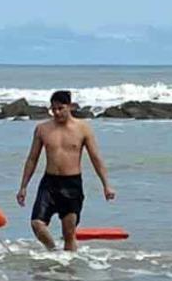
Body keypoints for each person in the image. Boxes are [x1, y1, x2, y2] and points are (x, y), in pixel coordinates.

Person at [16, 90, 115, 251]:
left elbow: (96, 158)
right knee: (37, 224)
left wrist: (106, 185)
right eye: (53, 109)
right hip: (49, 183)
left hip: (72, 184)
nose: (56, 112)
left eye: (60, 108)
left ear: (70, 107)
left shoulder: (83, 129)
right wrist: (23, 187)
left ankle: (69, 270)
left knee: (69, 233)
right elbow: (32, 159)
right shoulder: (42, 129)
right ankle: (53, 251)